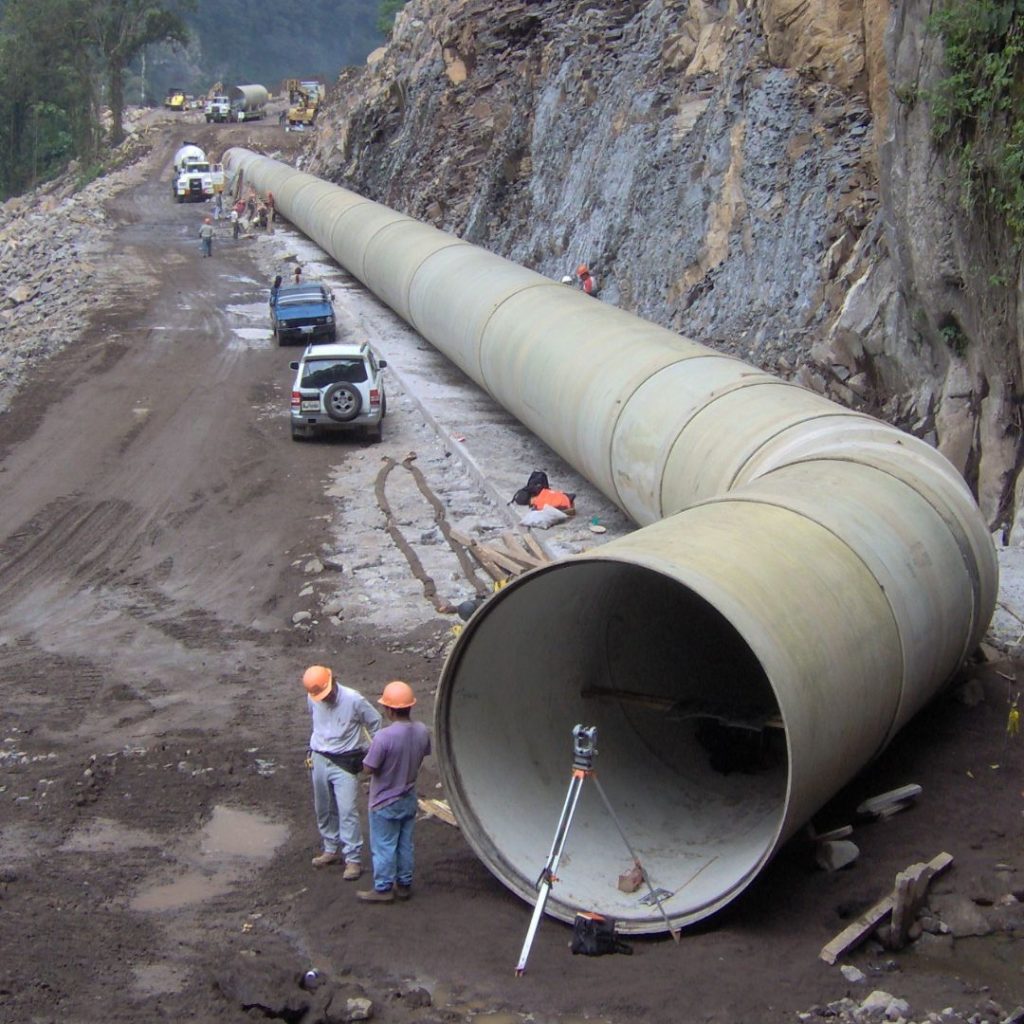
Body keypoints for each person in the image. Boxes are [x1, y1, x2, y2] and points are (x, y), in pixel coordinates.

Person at [303, 664, 382, 880]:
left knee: (347, 810)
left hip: (346, 761)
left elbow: (375, 722)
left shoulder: (354, 700)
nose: (325, 699)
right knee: (323, 807)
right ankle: (330, 848)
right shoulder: (313, 698)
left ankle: (353, 859)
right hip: (319, 756)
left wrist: (374, 755)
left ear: (334, 680)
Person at [357, 681, 431, 903]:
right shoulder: (422, 731)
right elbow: (421, 755)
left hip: (384, 800)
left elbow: (369, 768)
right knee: (404, 843)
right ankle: (404, 884)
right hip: (408, 795)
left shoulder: (383, 737)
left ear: (389, 709)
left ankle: (383, 888)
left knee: (384, 845)